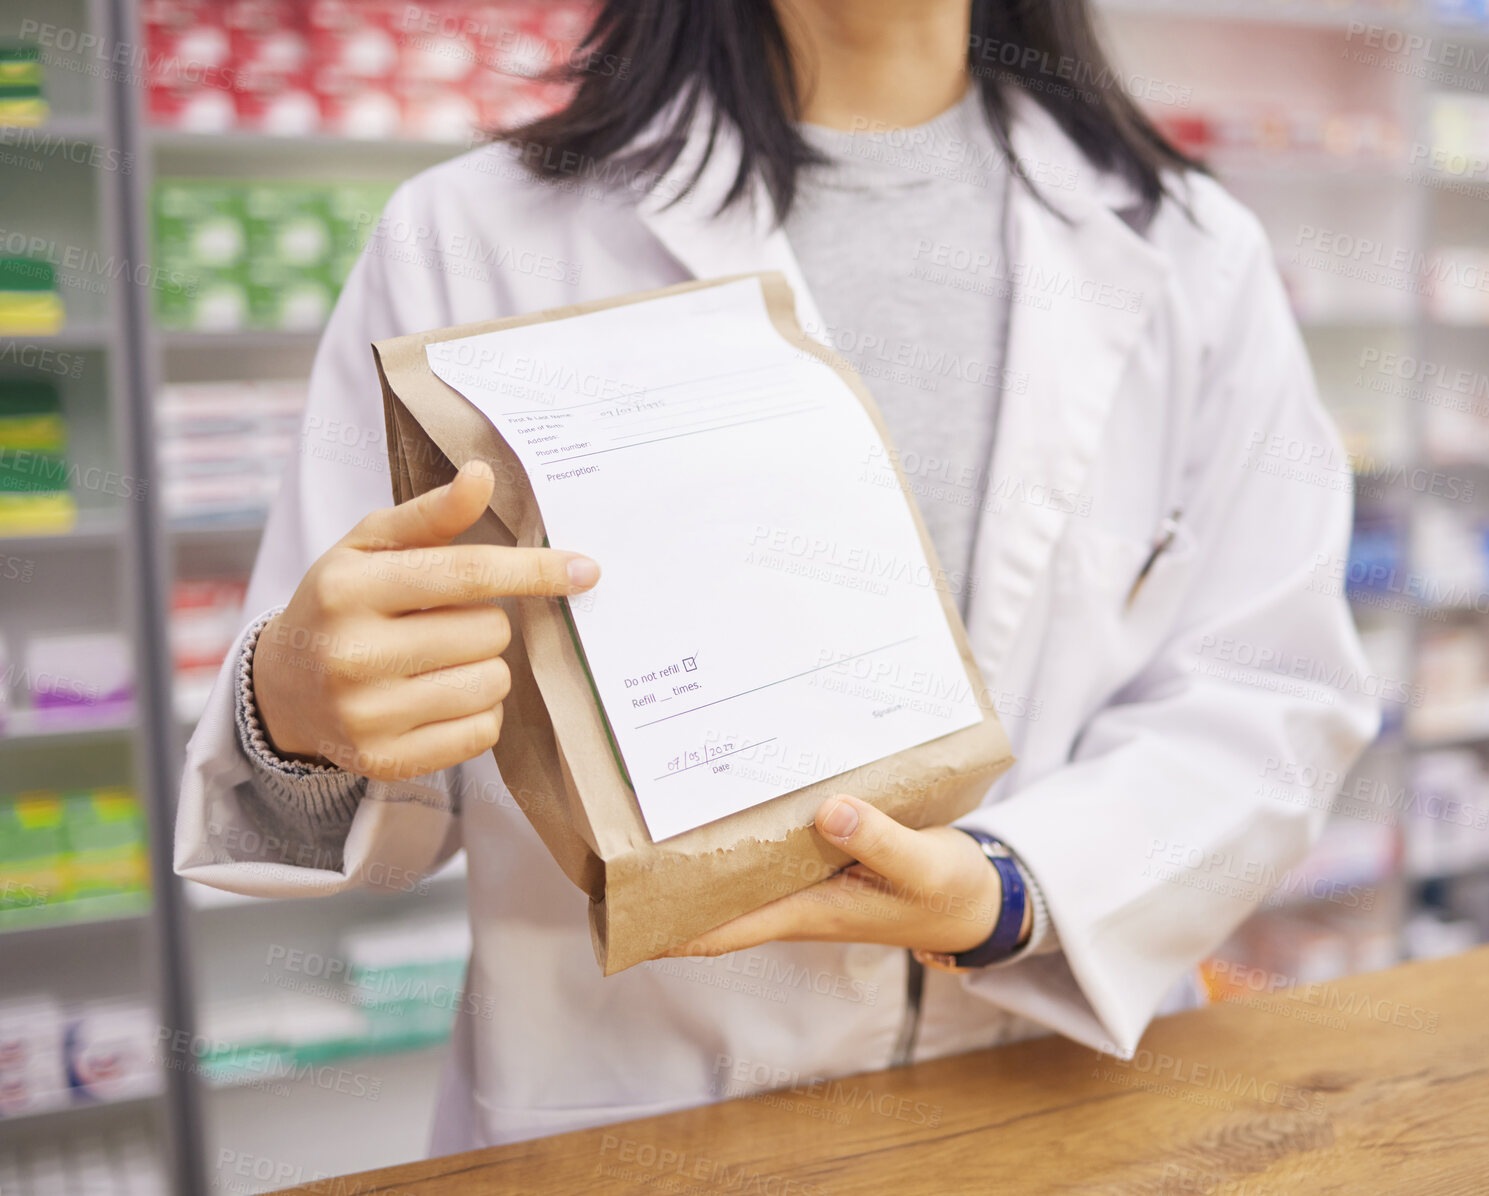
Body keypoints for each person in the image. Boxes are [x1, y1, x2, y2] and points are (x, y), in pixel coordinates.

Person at [175, 0, 1380, 1154]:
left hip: (1068, 1110)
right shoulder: (478, 236)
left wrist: (1015, 889)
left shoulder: (1190, 251)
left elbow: (1272, 697)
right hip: (639, 1123)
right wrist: (297, 720)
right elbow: (365, 774)